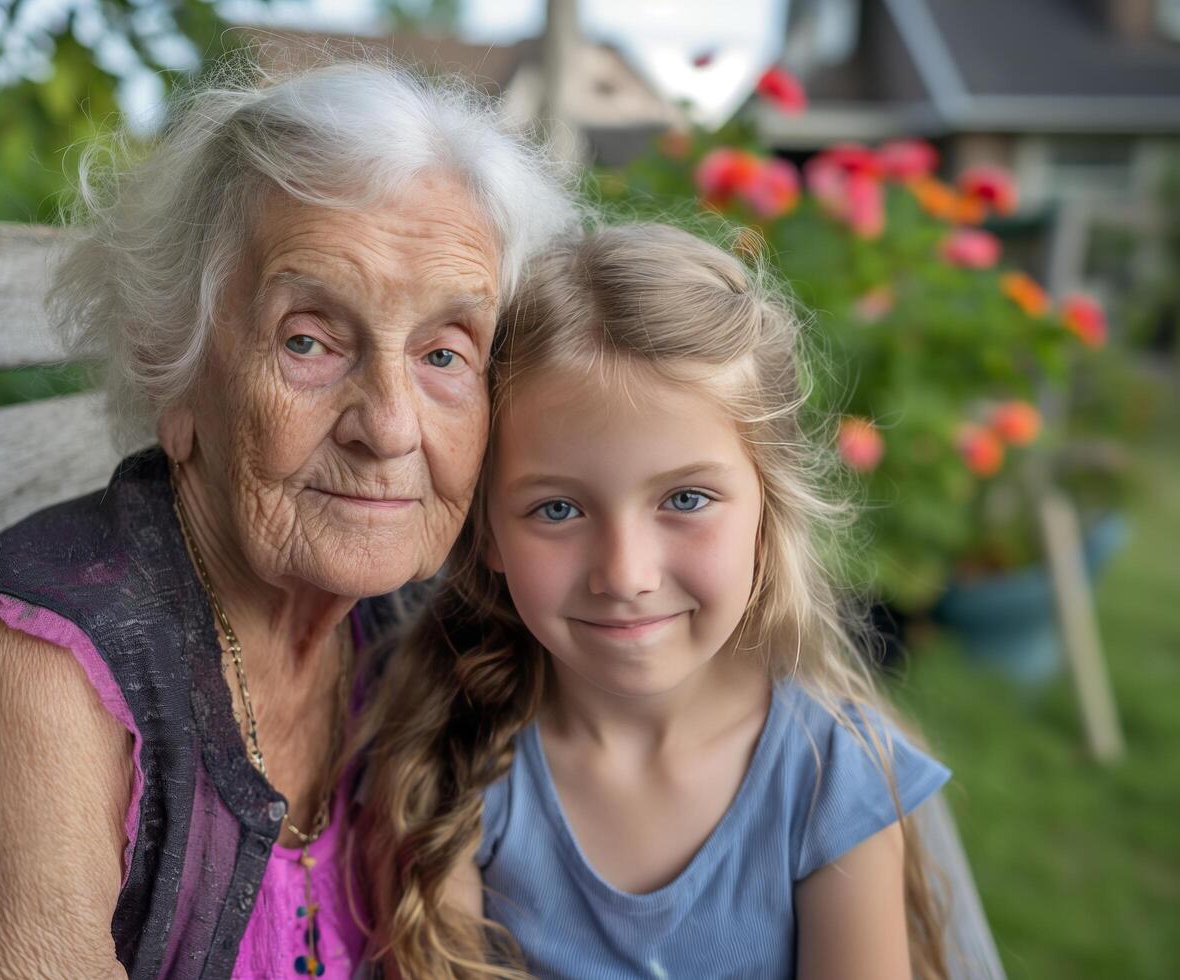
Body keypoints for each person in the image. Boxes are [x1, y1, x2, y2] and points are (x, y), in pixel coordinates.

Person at [0, 60, 577, 979]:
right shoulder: (39, 671)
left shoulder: (398, 637)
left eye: (443, 353)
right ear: (170, 371)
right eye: (307, 339)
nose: (389, 426)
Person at [359, 222, 952, 979]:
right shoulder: (451, 761)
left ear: (768, 512)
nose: (626, 574)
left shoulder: (832, 782)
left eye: (686, 497)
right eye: (558, 510)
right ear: (488, 536)